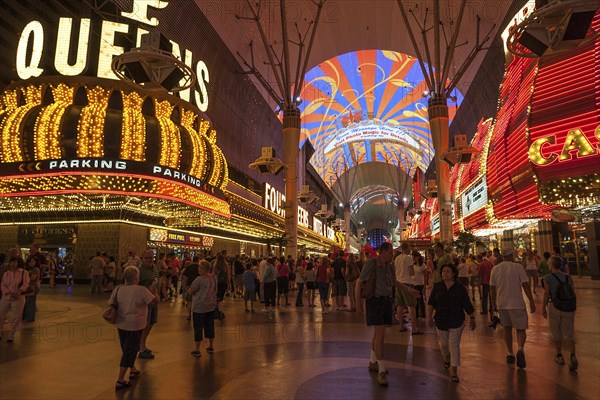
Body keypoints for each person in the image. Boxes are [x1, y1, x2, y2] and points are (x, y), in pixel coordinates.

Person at [354, 242, 420, 387]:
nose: (392, 255)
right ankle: (381, 370)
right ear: (382, 252)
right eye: (390, 252)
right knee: (381, 335)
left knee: (378, 334)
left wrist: (410, 290)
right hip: (374, 302)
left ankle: (373, 362)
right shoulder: (371, 263)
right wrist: (358, 304)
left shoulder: (390, 266)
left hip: (386, 302)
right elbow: (359, 283)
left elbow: (394, 282)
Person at [110, 266, 158, 391]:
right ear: (137, 277)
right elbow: (155, 301)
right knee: (130, 350)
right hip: (135, 325)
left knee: (127, 347)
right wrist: (153, 290)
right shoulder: (141, 290)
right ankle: (120, 380)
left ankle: (133, 369)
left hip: (121, 323)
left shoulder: (118, 289)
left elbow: (111, 303)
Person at [427, 264, 476, 383]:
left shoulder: (460, 288)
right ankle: (446, 357)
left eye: (448, 271)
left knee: (454, 345)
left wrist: (472, 317)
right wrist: (429, 317)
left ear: (453, 273)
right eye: (443, 271)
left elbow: (466, 303)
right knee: (443, 344)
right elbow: (431, 302)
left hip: (456, 320)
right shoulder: (438, 287)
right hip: (441, 320)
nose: (445, 274)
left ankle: (454, 371)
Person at [490, 248, 536, 369]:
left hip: (502, 304)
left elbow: (492, 288)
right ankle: (520, 348)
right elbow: (525, 285)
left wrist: (494, 304)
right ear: (512, 255)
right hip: (517, 304)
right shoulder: (518, 267)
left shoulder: (495, 269)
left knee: (507, 328)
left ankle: (510, 353)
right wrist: (531, 301)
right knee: (520, 329)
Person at [542, 256, 578, 370]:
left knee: (556, 330)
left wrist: (543, 307)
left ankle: (559, 355)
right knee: (569, 333)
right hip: (569, 307)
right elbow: (572, 291)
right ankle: (572, 356)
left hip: (555, 306)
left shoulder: (547, 278)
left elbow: (547, 294)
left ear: (551, 265)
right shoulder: (568, 277)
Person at [188, 260, 217, 357]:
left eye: (201, 267)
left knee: (198, 327)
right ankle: (211, 346)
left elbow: (191, 291)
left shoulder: (199, 279)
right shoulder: (213, 278)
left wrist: (190, 292)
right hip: (210, 306)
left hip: (199, 307)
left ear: (206, 269)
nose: (199, 269)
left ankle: (197, 349)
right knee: (210, 326)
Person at [0, 257, 30, 342]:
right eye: (11, 262)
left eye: (15, 262)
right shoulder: (6, 273)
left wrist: (18, 293)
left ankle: (11, 335)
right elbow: (3, 285)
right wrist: (8, 293)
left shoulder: (24, 272)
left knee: (16, 317)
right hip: (6, 297)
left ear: (19, 263)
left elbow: (26, 284)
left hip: (18, 298)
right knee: (1, 315)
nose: (13, 264)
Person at [137, 250, 159, 359]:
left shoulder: (155, 268)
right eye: (147, 258)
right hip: (145, 302)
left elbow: (157, 282)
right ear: (142, 258)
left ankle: (143, 344)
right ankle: (141, 347)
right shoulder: (140, 271)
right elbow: (137, 287)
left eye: (151, 258)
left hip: (154, 300)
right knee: (145, 324)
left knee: (151, 323)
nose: (149, 260)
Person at [394, 242, 418, 334]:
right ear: (406, 248)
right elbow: (411, 272)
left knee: (400, 305)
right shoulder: (408, 258)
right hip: (407, 283)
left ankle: (401, 326)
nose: (410, 249)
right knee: (411, 305)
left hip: (398, 283)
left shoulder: (396, 258)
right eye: (409, 247)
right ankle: (414, 329)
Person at [412, 251, 427, 322]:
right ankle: (416, 315)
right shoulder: (413, 265)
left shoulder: (423, 265)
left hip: (420, 284)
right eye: (413, 257)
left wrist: (425, 286)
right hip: (414, 284)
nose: (414, 258)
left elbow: (425, 276)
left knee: (421, 300)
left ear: (418, 257)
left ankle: (423, 315)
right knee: (415, 301)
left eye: (415, 257)